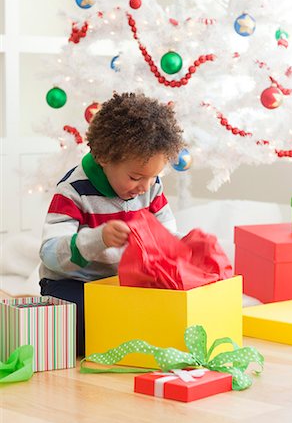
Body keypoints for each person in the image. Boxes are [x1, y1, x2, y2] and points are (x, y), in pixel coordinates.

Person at [39, 92, 184, 355]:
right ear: (104, 157)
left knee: (165, 315)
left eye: (154, 177)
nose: (145, 187)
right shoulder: (73, 191)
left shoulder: (150, 186)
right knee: (83, 328)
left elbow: (168, 233)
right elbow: (50, 254)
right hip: (73, 283)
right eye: (135, 176)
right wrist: (98, 239)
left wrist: (179, 247)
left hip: (121, 284)